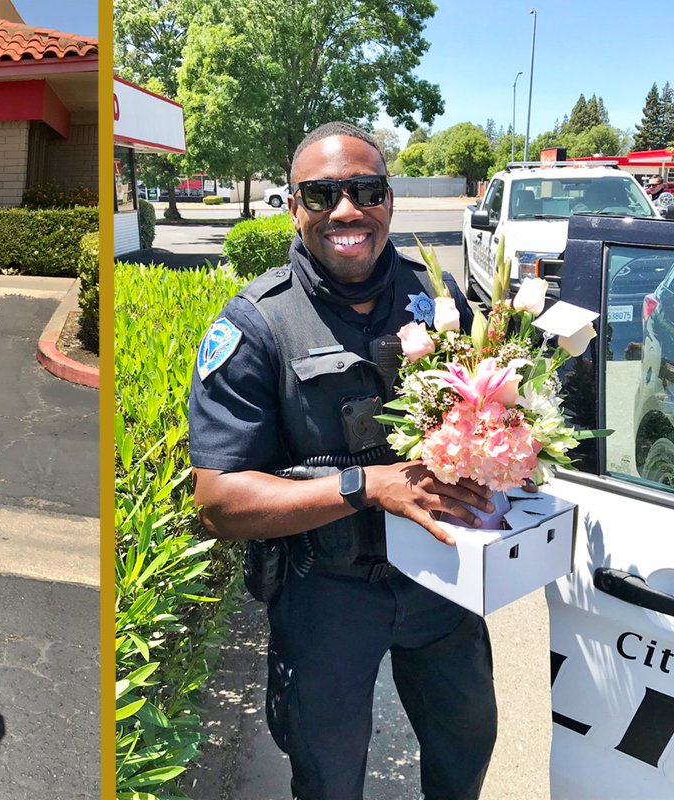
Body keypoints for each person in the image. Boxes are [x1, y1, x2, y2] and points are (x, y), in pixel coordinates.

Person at [188, 121, 498, 800]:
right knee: (327, 778)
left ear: (389, 200)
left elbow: (487, 416)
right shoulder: (254, 326)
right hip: (325, 592)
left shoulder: (440, 300)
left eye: (366, 190)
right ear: (294, 206)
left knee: (469, 742)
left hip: (441, 580)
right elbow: (216, 501)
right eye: (322, 194)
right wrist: (367, 486)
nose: (347, 210)